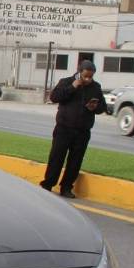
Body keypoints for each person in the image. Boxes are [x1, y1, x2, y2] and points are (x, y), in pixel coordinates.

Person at [41, 60, 107, 199]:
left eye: (91, 76)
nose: (88, 79)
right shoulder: (66, 82)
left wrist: (95, 107)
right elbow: (54, 97)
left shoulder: (95, 87)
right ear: (79, 73)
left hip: (83, 131)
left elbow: (102, 107)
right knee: (56, 157)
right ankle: (48, 184)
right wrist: (73, 87)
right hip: (64, 128)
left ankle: (66, 187)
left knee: (75, 161)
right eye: (85, 76)